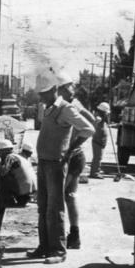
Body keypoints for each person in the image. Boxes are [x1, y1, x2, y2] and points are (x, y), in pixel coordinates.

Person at [31, 81, 94, 262]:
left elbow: (88, 129)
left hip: (55, 164)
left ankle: (58, 251)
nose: (41, 97)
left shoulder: (65, 109)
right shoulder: (49, 108)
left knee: (55, 208)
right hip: (44, 163)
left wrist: (71, 149)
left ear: (53, 90)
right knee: (42, 206)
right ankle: (44, 246)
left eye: (43, 93)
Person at [59, 81, 96, 250]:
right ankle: (74, 235)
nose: (69, 91)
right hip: (76, 156)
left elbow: (91, 123)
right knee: (70, 196)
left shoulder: (71, 105)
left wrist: (74, 144)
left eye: (68, 88)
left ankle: (60, 237)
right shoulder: (71, 104)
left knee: (59, 197)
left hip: (72, 157)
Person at [0, 139, 36, 208]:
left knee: (1, 178)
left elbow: (3, 172)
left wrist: (2, 162)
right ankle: (20, 199)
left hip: (24, 189)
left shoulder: (9, 157)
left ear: (4, 151)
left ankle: (8, 203)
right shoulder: (18, 156)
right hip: (29, 189)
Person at [89, 102, 111, 179]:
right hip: (97, 141)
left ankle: (96, 170)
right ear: (103, 112)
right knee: (97, 158)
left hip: (100, 141)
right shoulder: (98, 118)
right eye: (106, 113)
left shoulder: (102, 119)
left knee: (99, 157)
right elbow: (93, 126)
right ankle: (94, 173)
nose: (107, 114)